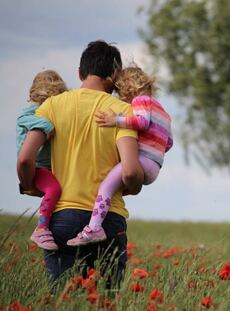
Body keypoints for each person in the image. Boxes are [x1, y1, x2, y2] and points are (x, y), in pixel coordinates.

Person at [17, 40, 144, 287]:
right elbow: (129, 171)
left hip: (62, 218)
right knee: (105, 302)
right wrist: (136, 184)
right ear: (114, 76)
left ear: (79, 73)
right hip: (108, 220)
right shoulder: (122, 112)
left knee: (63, 300)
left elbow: (24, 158)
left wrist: (30, 185)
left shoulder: (51, 106)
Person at [67, 66, 173, 246]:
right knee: (115, 185)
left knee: (106, 187)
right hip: (155, 165)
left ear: (127, 88)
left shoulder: (141, 100)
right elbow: (169, 143)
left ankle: (94, 228)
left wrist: (115, 120)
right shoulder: (163, 112)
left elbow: (141, 122)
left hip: (142, 161)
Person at [16, 70, 66, 250]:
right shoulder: (32, 113)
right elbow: (23, 120)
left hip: (47, 166)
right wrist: (47, 126)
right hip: (36, 167)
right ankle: (41, 228)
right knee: (54, 188)